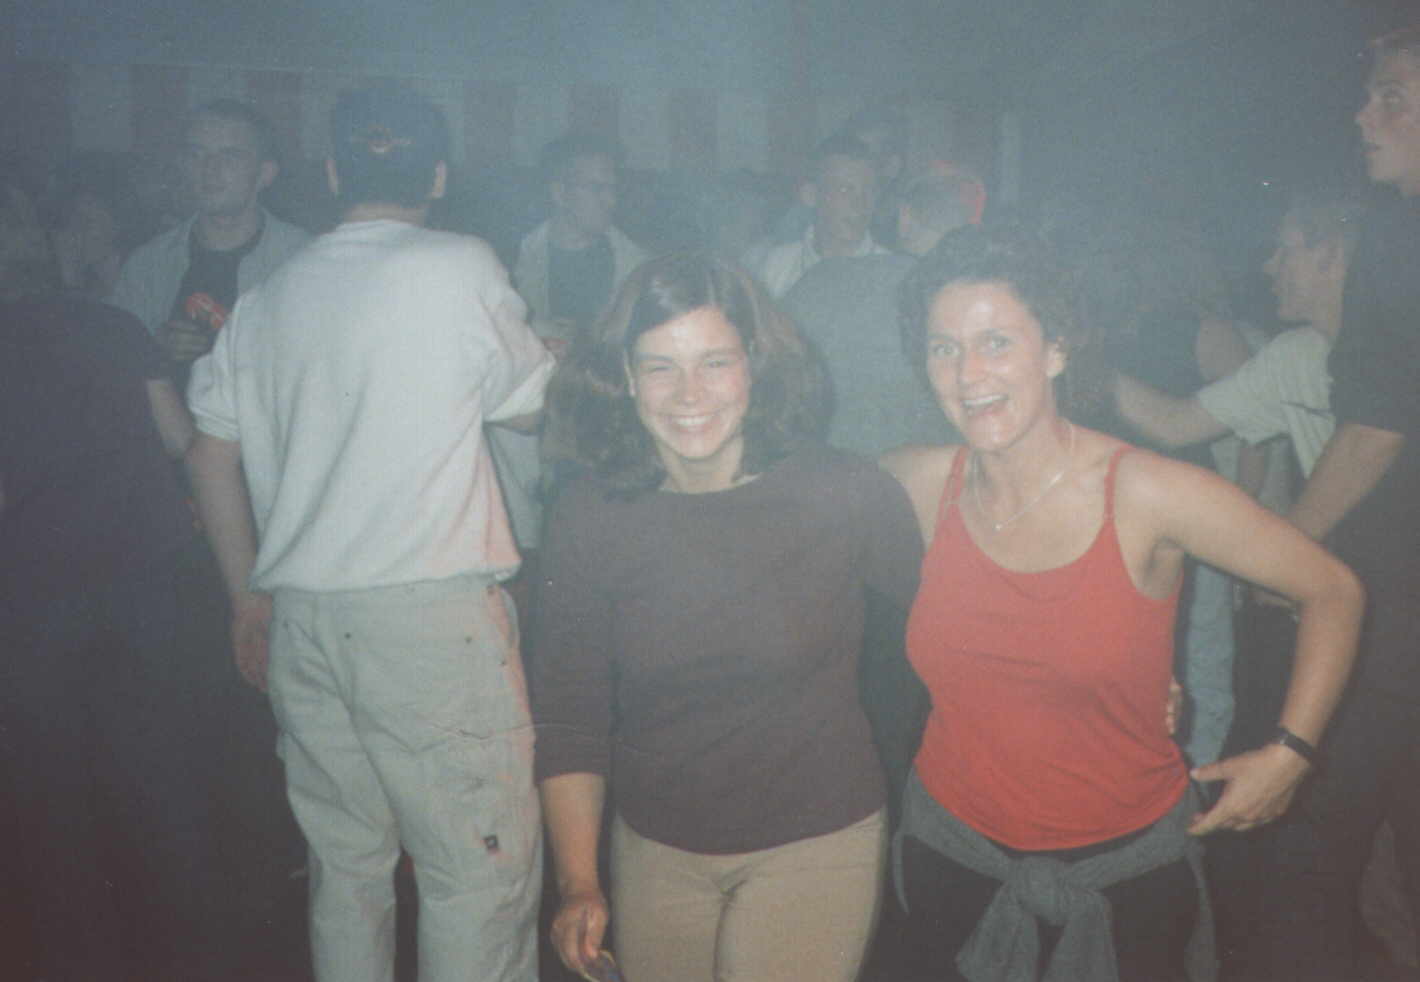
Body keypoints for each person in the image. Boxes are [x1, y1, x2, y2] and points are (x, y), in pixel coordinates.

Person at [880, 224, 1363, 982]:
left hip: (1124, 873)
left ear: (1057, 348)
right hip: (950, 851)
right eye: (944, 348)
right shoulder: (915, 482)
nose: (968, 372)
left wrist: (1291, 753)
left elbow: (1333, 589)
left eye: (997, 342)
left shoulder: (1146, 492)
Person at [184, 85, 554, 982]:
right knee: (476, 878)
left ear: (331, 174)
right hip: (428, 627)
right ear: (438, 176)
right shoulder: (460, 264)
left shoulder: (269, 296)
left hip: (305, 626)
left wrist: (248, 601)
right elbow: (529, 407)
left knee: (346, 874)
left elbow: (206, 454)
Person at [530, 252, 922, 982]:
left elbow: (955, 627)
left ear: (756, 367)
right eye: (660, 367)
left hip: (815, 833)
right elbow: (568, 713)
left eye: (715, 362)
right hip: (654, 844)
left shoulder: (844, 494)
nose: (690, 393)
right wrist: (578, 881)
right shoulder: (589, 516)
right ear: (624, 377)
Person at [1218, 25, 1420, 980]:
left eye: (1392, 97)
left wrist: (1284, 552)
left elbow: (1377, 426)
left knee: (1312, 846)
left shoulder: (1397, 236)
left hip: (1391, 603)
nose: (1363, 115)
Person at [0, 174, 208, 980]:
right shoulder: (112, 323)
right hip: (147, 591)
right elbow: (179, 439)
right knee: (163, 786)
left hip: (32, 604)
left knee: (53, 803)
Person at [110, 99, 308, 389]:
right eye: (196, 154)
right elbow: (112, 364)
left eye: (230, 156)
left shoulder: (301, 260)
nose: (209, 169)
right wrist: (153, 349)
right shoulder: (149, 263)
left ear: (265, 174)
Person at [756, 133, 888, 297]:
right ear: (810, 195)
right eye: (845, 190)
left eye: (868, 191)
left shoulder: (890, 274)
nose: (860, 204)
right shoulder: (777, 266)